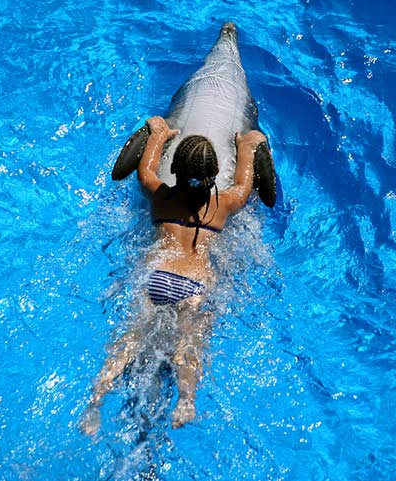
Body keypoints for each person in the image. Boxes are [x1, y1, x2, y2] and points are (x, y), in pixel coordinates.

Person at [82, 116, 266, 434]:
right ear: (212, 177)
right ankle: (186, 400)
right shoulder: (222, 204)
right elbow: (244, 185)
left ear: (176, 171)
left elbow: (146, 170)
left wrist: (159, 133)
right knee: (189, 345)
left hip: (156, 276)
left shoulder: (160, 195)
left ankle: (96, 401)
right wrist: (247, 147)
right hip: (193, 285)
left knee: (129, 338)